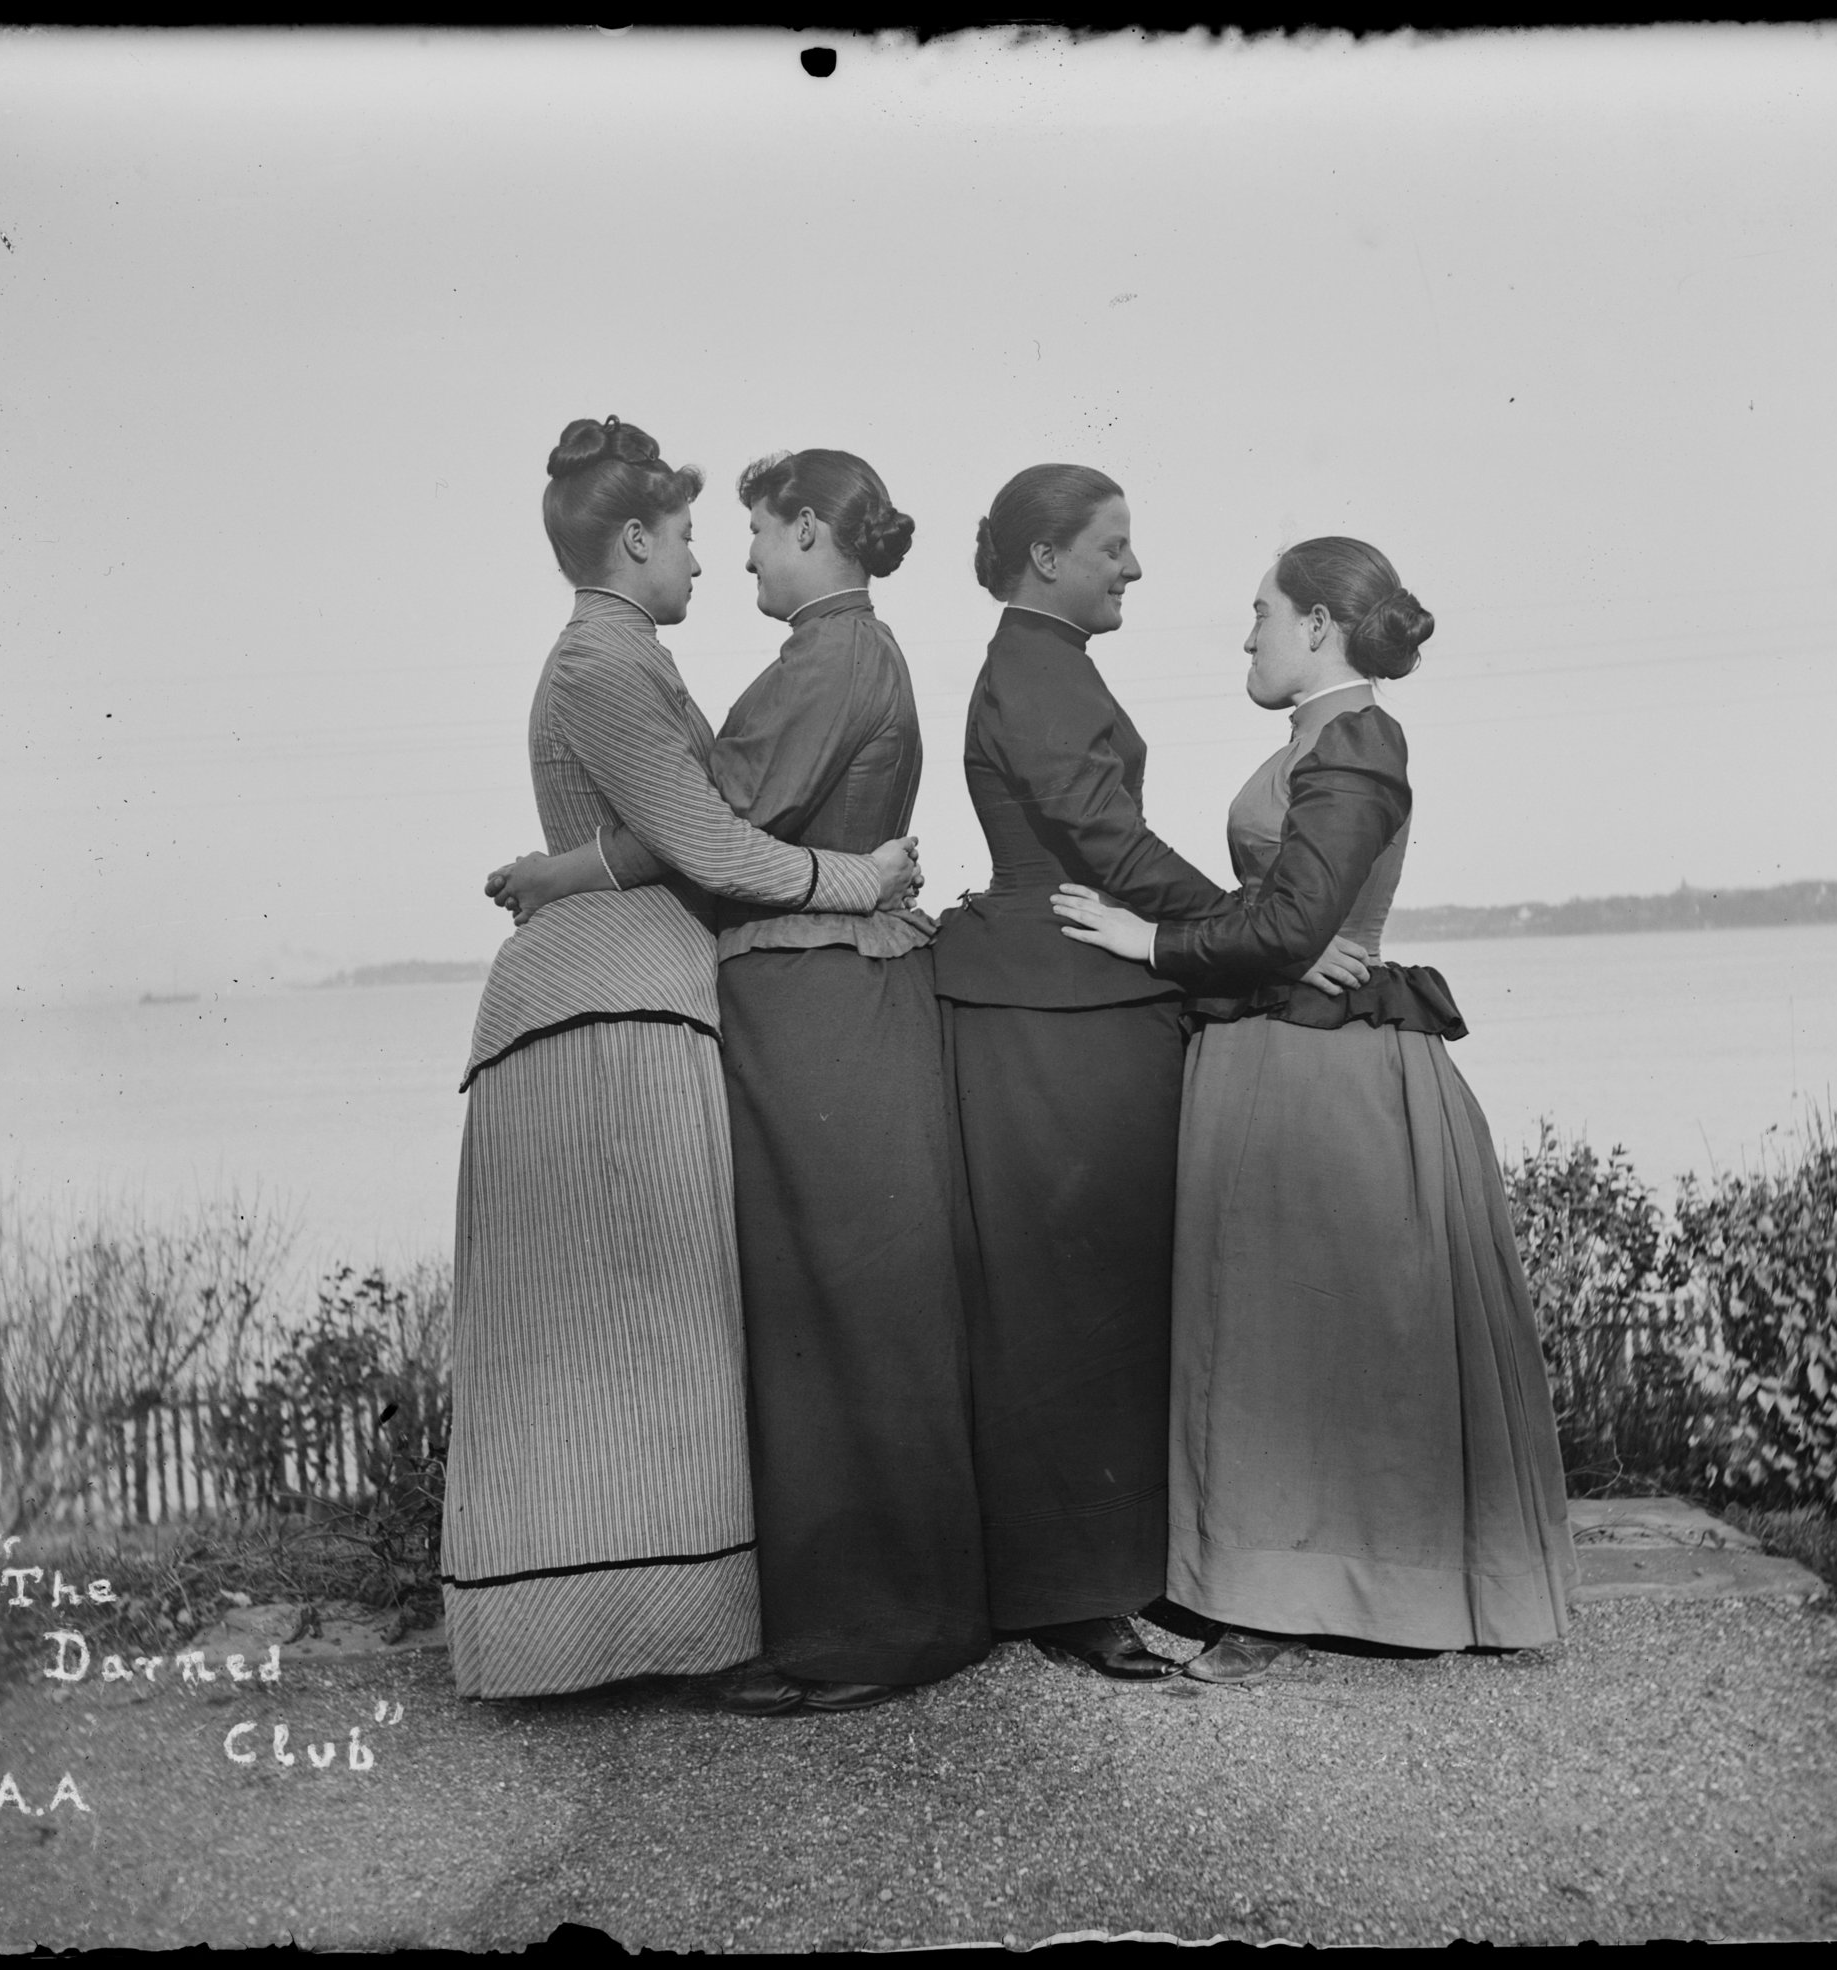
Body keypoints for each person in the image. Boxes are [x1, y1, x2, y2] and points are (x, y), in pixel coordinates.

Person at [488, 448, 990, 1716]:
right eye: (714, 534)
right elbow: (706, 814)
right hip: (814, 973)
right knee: (827, 1306)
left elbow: (716, 820)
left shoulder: (826, 657)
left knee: (839, 1304)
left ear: (812, 531)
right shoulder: (799, 654)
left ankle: (875, 1626)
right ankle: (855, 1614)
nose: (733, 556)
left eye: (755, 533)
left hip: (820, 981)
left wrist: (569, 867)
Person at [1051, 536, 1579, 1682]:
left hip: (1323, 1068)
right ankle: (1267, 1576)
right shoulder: (1320, 736)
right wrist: (1261, 928)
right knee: (1285, 1334)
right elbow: (1291, 912)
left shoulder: (1356, 736)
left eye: (1260, 613)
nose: (1246, 636)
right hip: (1282, 1049)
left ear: (1318, 628)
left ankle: (1308, 1588)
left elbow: (1292, 927)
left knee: (1309, 1336)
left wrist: (1146, 938)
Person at [932, 465, 1371, 1680]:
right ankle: (1069, 1593)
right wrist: (1264, 920)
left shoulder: (1049, 662)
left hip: (1073, 987)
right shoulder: (1032, 668)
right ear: (1044, 557)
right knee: (1062, 1299)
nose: (1133, 567)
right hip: (1048, 997)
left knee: (1095, 1294)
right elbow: (1106, 841)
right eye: (1112, 546)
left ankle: (1106, 1570)